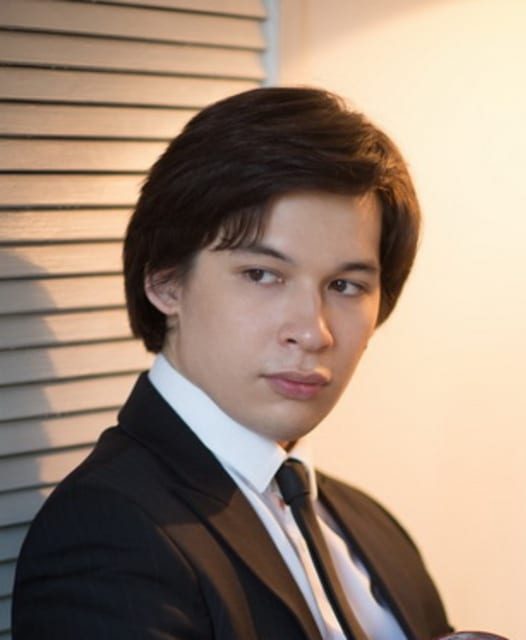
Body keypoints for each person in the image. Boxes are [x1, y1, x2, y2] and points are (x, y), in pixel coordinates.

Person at [12, 87, 453, 640]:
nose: (312, 332)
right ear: (165, 280)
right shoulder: (106, 533)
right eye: (262, 275)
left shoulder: (373, 529)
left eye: (345, 285)